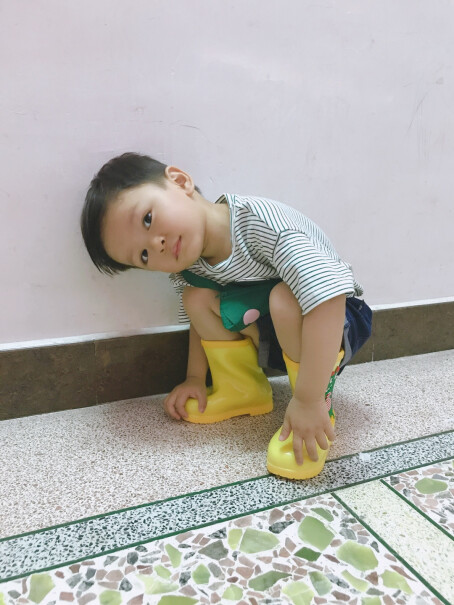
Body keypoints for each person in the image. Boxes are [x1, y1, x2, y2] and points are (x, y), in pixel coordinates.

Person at [81, 152, 372, 480]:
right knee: (198, 297)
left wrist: (308, 400)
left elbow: (328, 297)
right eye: (144, 255)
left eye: (148, 219)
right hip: (276, 333)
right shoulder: (189, 265)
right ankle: (242, 390)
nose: (157, 244)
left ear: (180, 181)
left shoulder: (264, 224)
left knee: (283, 298)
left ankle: (320, 406)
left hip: (338, 323)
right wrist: (195, 378)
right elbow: (198, 323)